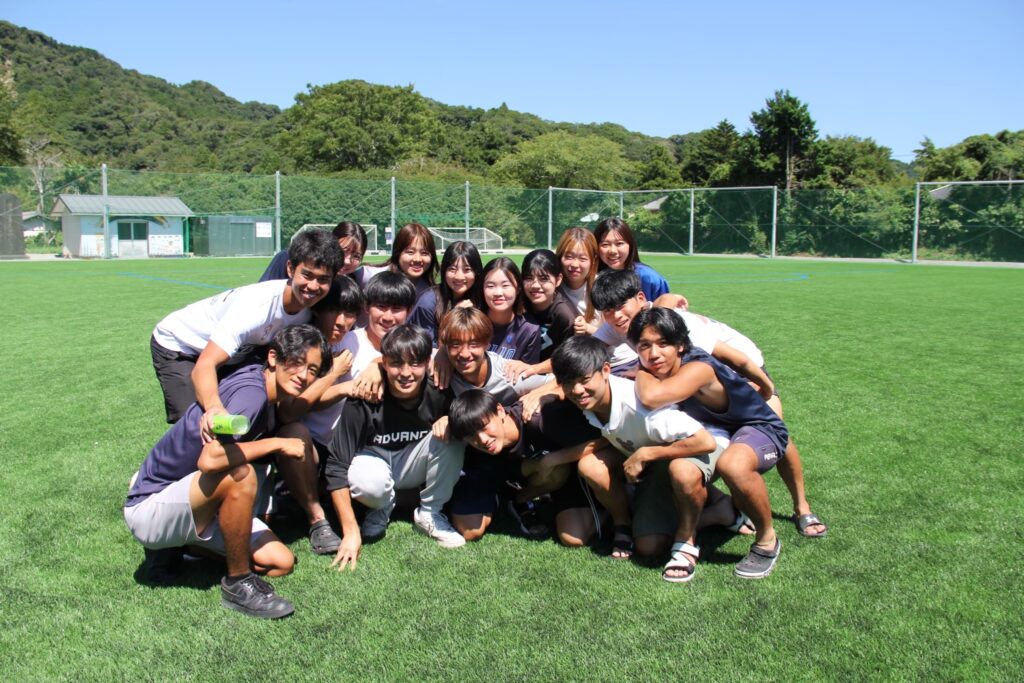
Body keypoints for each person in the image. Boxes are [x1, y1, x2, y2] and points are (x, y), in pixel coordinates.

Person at [125, 324, 331, 618]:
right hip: (151, 505)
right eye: (297, 362)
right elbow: (210, 460)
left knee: (280, 562)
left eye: (313, 369)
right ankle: (237, 584)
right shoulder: (252, 396)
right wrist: (278, 444)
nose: (304, 375)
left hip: (197, 504)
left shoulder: (267, 392)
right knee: (240, 475)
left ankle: (182, 547)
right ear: (273, 357)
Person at [546, 335, 726, 580]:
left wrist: (646, 454)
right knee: (590, 466)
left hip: (693, 449)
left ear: (606, 370)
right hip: (652, 456)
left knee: (649, 546)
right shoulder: (592, 403)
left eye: (585, 380)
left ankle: (713, 516)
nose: (577, 390)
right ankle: (623, 524)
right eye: (568, 383)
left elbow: (705, 441)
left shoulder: (641, 407)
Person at [629, 306, 789, 579]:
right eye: (644, 346)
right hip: (717, 432)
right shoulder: (662, 366)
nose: (653, 354)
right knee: (681, 469)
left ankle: (767, 540)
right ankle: (690, 537)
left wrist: (640, 370)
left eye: (663, 344)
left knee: (733, 465)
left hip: (758, 428)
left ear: (680, 345)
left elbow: (652, 397)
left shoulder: (698, 368)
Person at [150, 229, 343, 433]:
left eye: (323, 279)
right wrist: (214, 407)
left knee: (248, 412)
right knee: (195, 425)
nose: (313, 286)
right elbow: (206, 364)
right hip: (180, 345)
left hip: (234, 351)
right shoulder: (256, 307)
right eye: (307, 275)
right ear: (290, 268)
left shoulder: (309, 312)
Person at [324, 324, 466, 572]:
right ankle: (381, 507)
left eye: (415, 364)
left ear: (427, 363)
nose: (406, 373)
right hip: (375, 461)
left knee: (452, 433)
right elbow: (336, 466)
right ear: (384, 363)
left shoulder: (439, 388)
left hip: (413, 462)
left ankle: (430, 513)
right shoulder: (364, 395)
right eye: (397, 364)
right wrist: (350, 531)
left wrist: (450, 420)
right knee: (368, 480)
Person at [447, 390, 603, 544]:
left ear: (500, 411)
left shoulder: (541, 419)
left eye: (484, 427)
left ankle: (612, 511)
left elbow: (604, 438)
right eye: (471, 436)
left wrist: (554, 458)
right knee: (469, 530)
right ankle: (517, 501)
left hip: (571, 471)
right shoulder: (479, 449)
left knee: (574, 537)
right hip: (523, 474)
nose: (482, 440)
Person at [509, 248, 576, 380]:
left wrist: (534, 369)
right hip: (513, 368)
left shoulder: (565, 316)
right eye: (529, 278)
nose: (535, 285)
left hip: (549, 376)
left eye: (543, 279)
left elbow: (567, 358)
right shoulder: (518, 302)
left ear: (558, 280)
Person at [408, 240, 484, 344]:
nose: (459, 276)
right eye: (452, 269)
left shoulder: (482, 298)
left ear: (477, 272)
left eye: (467, 269)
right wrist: (453, 317)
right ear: (444, 271)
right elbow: (426, 349)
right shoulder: (429, 302)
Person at [259, 221, 367, 284]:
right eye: (343, 251)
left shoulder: (355, 281)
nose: (347, 261)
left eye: (356, 256)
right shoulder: (288, 258)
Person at [593, 217, 669, 302]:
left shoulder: (649, 278)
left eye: (619, 243)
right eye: (605, 244)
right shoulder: (593, 278)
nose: (613, 251)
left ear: (630, 245)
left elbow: (665, 307)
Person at [480, 257, 541, 363]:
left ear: (518, 289)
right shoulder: (472, 321)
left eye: (505, 285)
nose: (498, 293)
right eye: (490, 286)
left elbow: (528, 371)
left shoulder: (529, 330)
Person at [360, 222, 438, 296]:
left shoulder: (429, 291)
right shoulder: (370, 275)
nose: (417, 259)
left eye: (424, 253)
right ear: (398, 253)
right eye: (410, 252)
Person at [555, 227, 601, 335]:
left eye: (583, 259)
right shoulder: (552, 287)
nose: (575, 264)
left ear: (593, 260)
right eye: (569, 257)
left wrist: (587, 328)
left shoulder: (603, 287)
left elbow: (615, 336)